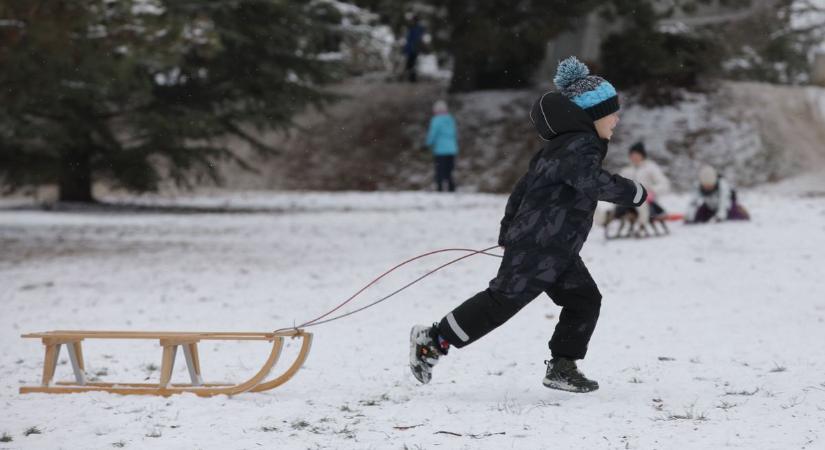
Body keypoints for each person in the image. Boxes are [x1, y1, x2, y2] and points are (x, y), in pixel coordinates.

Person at [410, 57, 648, 392]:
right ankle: (433, 340)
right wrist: (632, 192)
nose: (617, 119)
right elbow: (590, 180)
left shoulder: (561, 147)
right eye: (612, 112)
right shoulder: (579, 146)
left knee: (584, 300)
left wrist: (509, 227)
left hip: (555, 246)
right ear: (593, 115)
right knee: (503, 301)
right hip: (540, 243)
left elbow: (523, 188)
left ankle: (563, 366)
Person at [614, 141, 671, 226]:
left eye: (637, 154)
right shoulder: (626, 170)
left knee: (641, 202)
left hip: (648, 203)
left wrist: (652, 191)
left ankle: (642, 224)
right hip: (628, 203)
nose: (634, 157)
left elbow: (664, 184)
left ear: (642, 155)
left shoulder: (651, 167)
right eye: (632, 155)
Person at [685, 165, 750, 223]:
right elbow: (693, 203)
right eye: (706, 185)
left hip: (727, 205)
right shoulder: (698, 186)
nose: (708, 187)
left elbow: (723, 201)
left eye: (710, 185)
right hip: (710, 206)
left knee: (734, 216)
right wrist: (689, 216)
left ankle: (741, 210)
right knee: (698, 217)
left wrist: (720, 217)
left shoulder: (722, 184)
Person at [425, 100, 458, 192]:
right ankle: (451, 188)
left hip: (441, 150)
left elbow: (433, 134)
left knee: (440, 170)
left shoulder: (436, 120)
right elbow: (454, 133)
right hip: (452, 149)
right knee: (449, 170)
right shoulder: (450, 119)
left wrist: (427, 144)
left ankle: (439, 189)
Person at [403, 16, 424, 83]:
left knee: (412, 64)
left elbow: (414, 40)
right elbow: (409, 40)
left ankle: (412, 77)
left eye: (413, 21)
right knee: (411, 64)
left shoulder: (416, 29)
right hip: (412, 49)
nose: (412, 22)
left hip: (413, 49)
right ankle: (411, 77)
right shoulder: (413, 28)